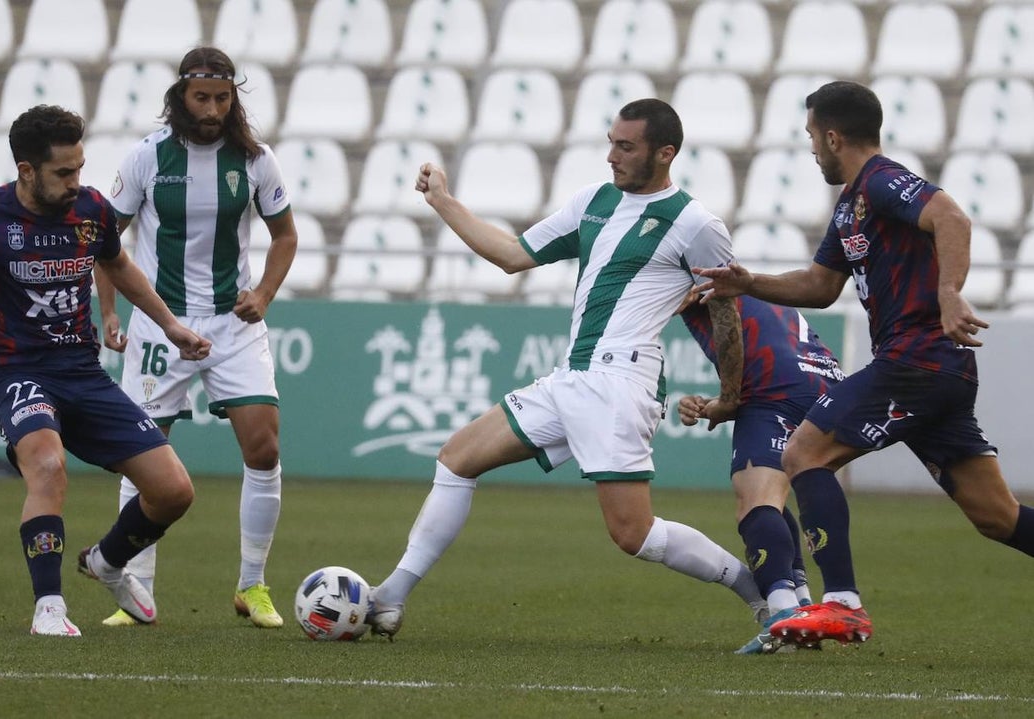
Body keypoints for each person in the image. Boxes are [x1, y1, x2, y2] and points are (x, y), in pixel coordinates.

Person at [367, 98, 769, 642]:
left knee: (634, 535)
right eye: (611, 142)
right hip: (572, 377)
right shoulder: (594, 202)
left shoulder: (696, 223)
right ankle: (390, 596)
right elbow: (512, 255)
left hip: (621, 383)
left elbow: (725, 313)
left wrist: (729, 396)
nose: (611, 156)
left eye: (625, 147)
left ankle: (757, 592)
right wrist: (443, 201)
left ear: (665, 153)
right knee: (457, 458)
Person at [696, 80, 1034, 648]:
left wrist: (949, 291)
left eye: (811, 136)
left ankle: (843, 604)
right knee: (996, 516)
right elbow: (821, 285)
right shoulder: (850, 205)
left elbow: (952, 219)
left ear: (833, 136)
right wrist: (749, 282)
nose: (810, 149)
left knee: (803, 451)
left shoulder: (882, 181)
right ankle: (840, 603)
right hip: (935, 373)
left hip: (917, 359)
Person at [0, 104, 212, 636]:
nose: (75, 182)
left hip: (84, 375)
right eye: (64, 172)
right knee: (48, 466)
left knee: (175, 492)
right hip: (20, 375)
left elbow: (119, 265)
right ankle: (49, 607)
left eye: (79, 168)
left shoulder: (92, 211)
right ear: (27, 171)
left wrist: (170, 325)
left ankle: (105, 561)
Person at [95, 46, 298, 629]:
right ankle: (137, 594)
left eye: (222, 98)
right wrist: (108, 316)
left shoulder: (256, 161)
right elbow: (106, 244)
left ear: (234, 98)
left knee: (264, 448)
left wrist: (261, 295)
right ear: (180, 96)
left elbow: (285, 238)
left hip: (234, 322)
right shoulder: (145, 157)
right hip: (162, 322)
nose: (212, 109)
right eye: (201, 97)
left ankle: (252, 586)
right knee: (142, 458)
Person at [677, 292, 846, 653]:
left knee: (755, 500)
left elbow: (734, 336)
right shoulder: (755, 289)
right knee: (773, 494)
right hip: (824, 381)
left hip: (776, 385)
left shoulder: (698, 276)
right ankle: (801, 606)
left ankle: (782, 617)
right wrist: (717, 403)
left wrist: (727, 399)